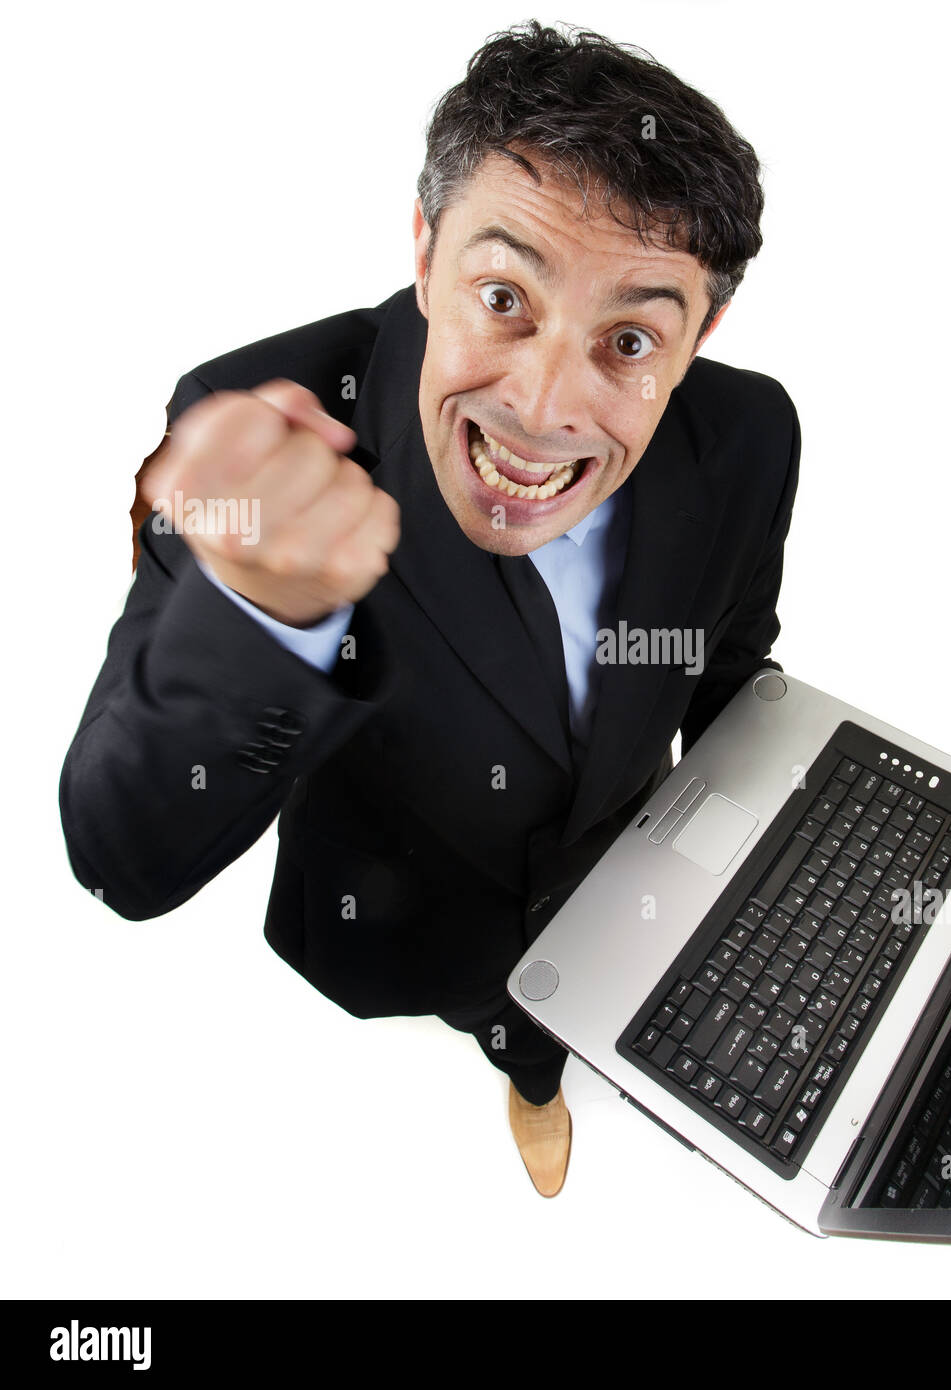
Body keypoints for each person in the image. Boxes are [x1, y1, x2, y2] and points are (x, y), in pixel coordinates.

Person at [59, 20, 800, 1198]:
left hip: (621, 884)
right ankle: (511, 1051)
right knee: (486, 1010)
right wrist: (261, 609)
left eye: (628, 340)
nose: (545, 407)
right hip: (404, 908)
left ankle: (542, 1069)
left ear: (700, 336)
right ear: (423, 251)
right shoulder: (263, 434)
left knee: (550, 1037)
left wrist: (779, 869)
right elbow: (117, 856)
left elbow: (731, 661)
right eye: (503, 295)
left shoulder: (749, 430)